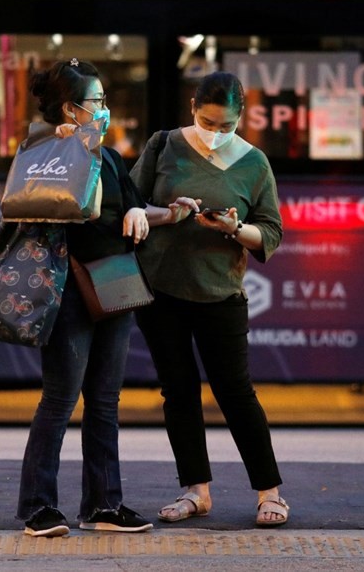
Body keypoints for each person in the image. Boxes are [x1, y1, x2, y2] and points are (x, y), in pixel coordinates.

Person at [16, 58, 199, 538]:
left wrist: (166, 213)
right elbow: (58, 210)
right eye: (96, 101)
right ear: (71, 108)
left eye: (101, 101)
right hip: (68, 285)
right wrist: (81, 154)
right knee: (60, 398)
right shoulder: (46, 151)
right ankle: (39, 507)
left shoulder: (112, 156)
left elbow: (132, 206)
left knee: (104, 400)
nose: (104, 109)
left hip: (116, 279)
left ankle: (103, 505)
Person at [129, 71, 289, 528]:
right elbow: (131, 203)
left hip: (221, 293)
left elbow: (271, 231)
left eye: (227, 127)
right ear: (192, 107)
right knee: (178, 392)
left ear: (240, 121)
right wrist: (166, 213)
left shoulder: (254, 162)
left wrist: (234, 229)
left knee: (235, 392)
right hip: (161, 290)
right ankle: (195, 491)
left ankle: (269, 492)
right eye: (208, 122)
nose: (216, 134)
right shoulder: (163, 145)